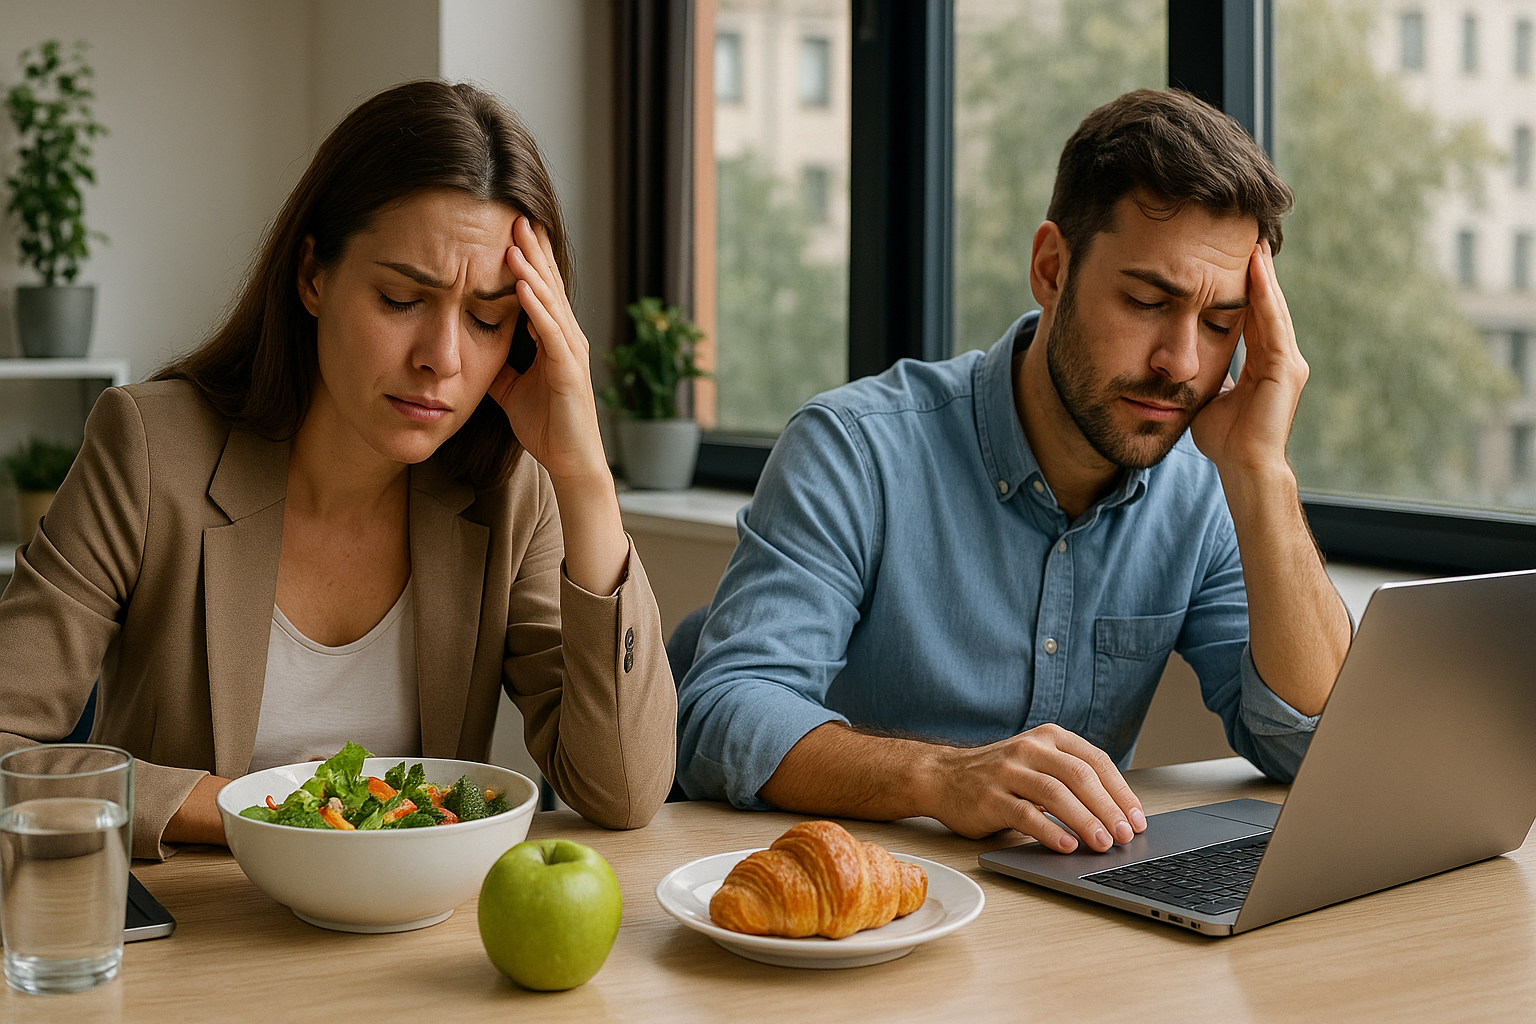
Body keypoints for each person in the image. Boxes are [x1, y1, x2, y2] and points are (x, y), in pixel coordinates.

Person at [0, 81, 676, 859]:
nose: (442, 360)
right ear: (313, 274)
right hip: (194, 941)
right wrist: (239, 809)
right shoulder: (152, 450)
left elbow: (624, 790)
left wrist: (585, 473)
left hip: (415, 952)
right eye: (399, 299)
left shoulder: (512, 489)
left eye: (489, 319)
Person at [675, 88, 1353, 855]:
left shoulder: (1205, 488)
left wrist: (1264, 472)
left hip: (1053, 929)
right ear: (1051, 267)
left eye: (1222, 323)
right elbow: (724, 711)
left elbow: (1317, 748)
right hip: (845, 922)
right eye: (1144, 301)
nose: (1182, 363)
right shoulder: (855, 450)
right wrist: (941, 776)